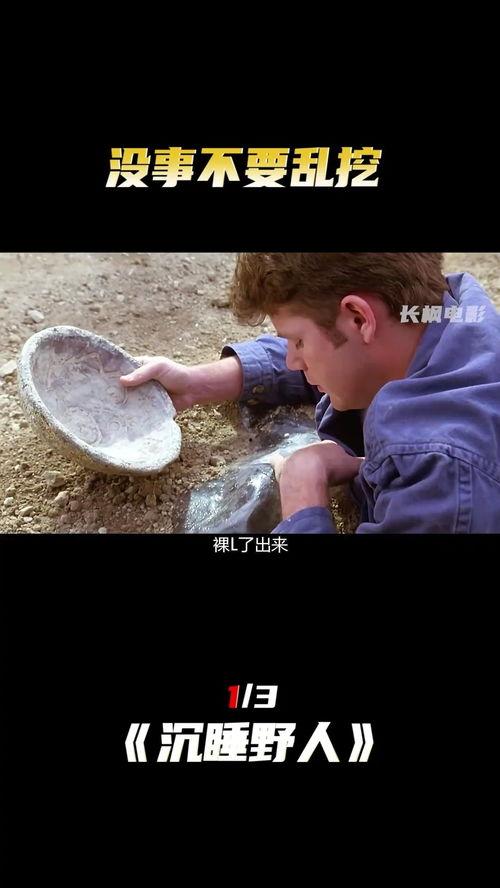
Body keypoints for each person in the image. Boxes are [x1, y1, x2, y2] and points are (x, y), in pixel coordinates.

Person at [120, 253, 500, 533]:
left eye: (297, 341)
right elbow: (346, 351)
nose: (292, 359)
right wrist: (196, 383)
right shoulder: (437, 310)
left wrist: (303, 490)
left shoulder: (445, 476)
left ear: (359, 318)